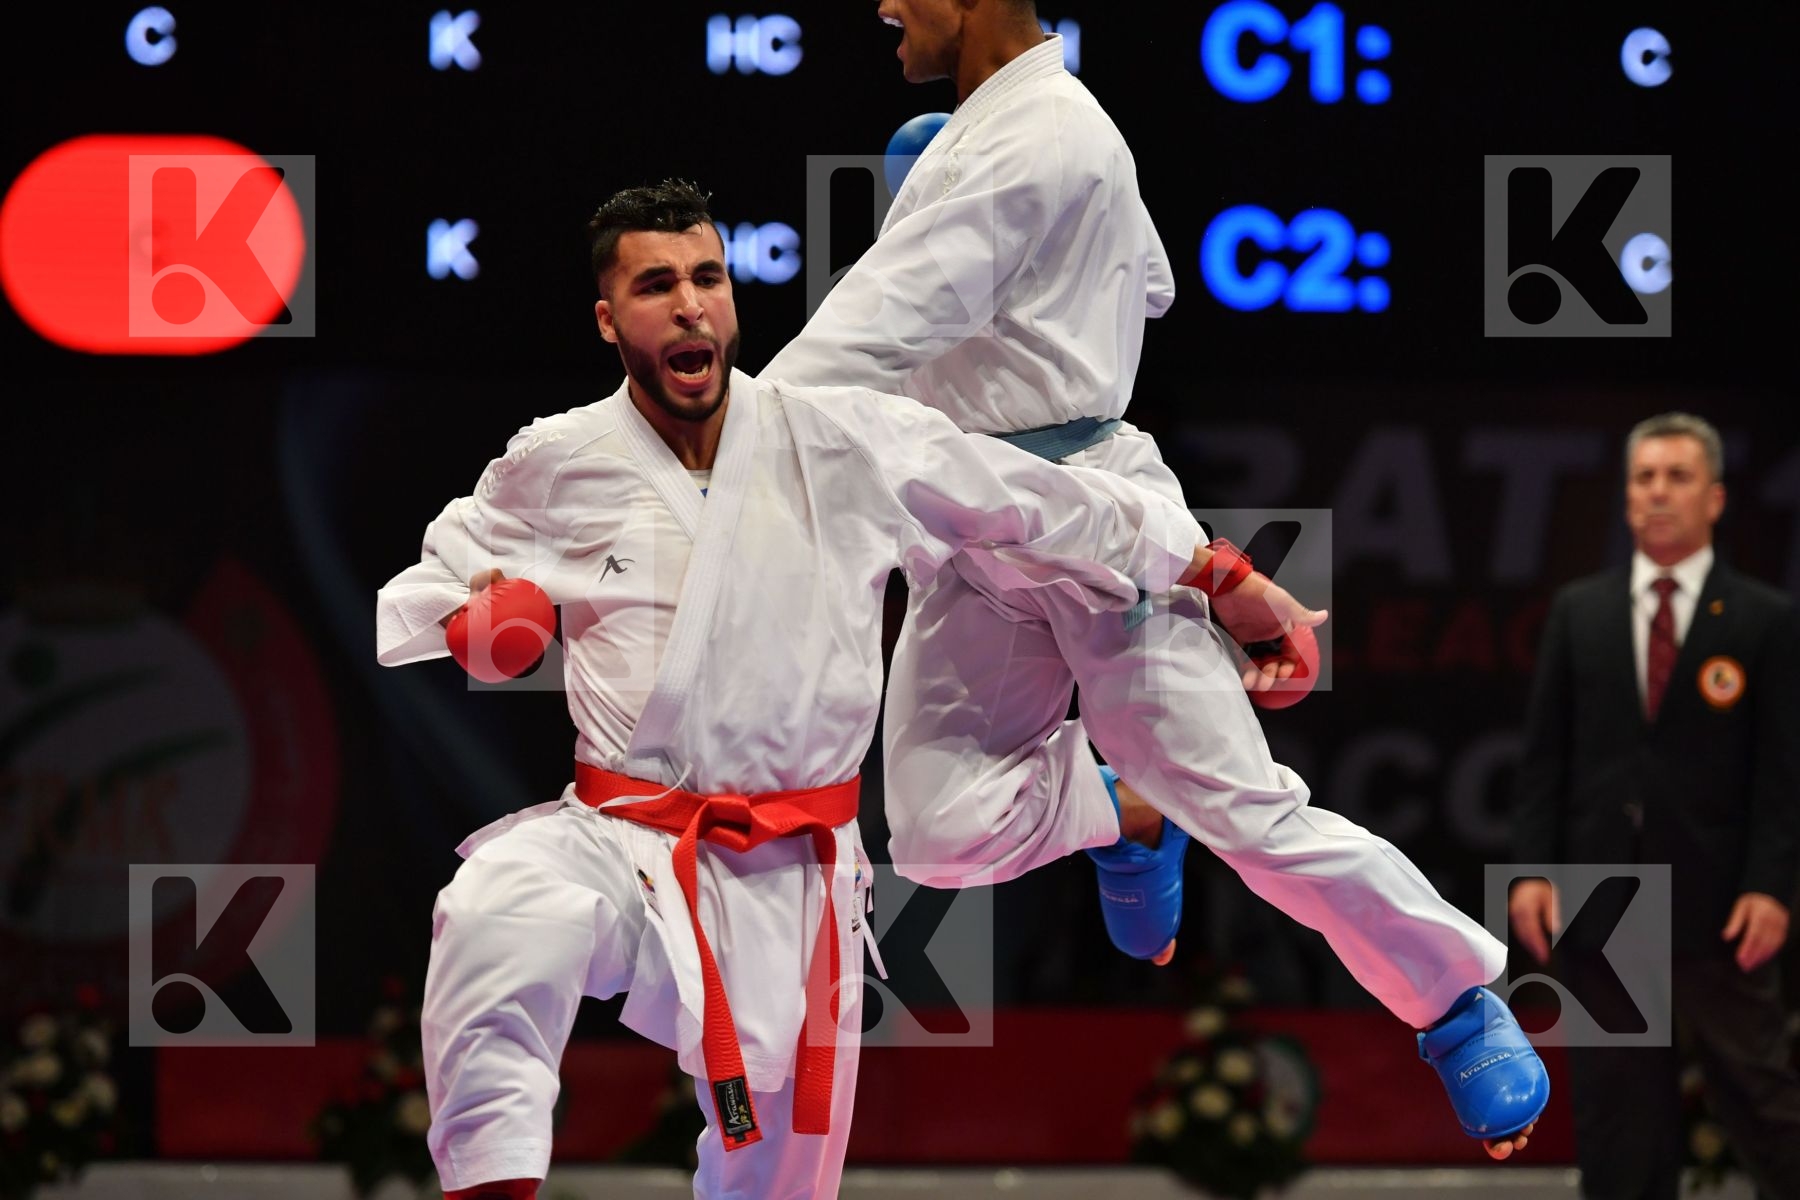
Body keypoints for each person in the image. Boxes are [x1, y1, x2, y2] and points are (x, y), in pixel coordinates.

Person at [759, 0, 1546, 1157]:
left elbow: (853, 345)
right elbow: (1157, 286)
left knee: (1252, 815)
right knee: (930, 836)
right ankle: (1123, 810)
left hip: (1097, 520)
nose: (882, 4)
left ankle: (1453, 998)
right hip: (973, 533)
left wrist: (707, 451)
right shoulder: (994, 133)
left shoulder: (1043, 136)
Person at [375, 180, 1246, 1200]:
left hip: (795, 868)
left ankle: (1120, 806)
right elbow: (437, 586)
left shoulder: (842, 438)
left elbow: (1033, 503)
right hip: (619, 833)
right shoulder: (558, 459)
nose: (692, 304)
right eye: (658, 285)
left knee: (778, 1180)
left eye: (708, 277)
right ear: (610, 320)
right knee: (500, 904)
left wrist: (1216, 571)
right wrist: (488, 626)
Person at [1511, 412, 1800, 1198]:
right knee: (1619, 1118)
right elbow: (1545, 759)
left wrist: (1772, 885)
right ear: (1627, 498)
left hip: (1720, 901)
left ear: (1715, 498)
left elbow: (1784, 772)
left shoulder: (1764, 619)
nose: (1658, 493)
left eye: (1677, 477)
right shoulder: (1582, 610)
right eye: (1644, 478)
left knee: (1765, 1104)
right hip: (1603, 897)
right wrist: (1533, 872)